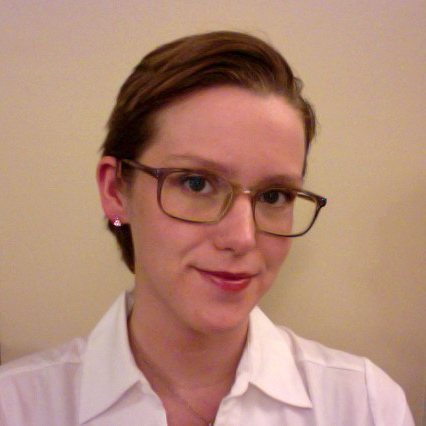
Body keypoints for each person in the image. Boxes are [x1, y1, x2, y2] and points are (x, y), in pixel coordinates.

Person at [0, 31, 414, 426]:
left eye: (274, 195)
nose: (242, 237)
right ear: (116, 192)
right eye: (196, 183)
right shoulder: (17, 407)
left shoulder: (363, 405)